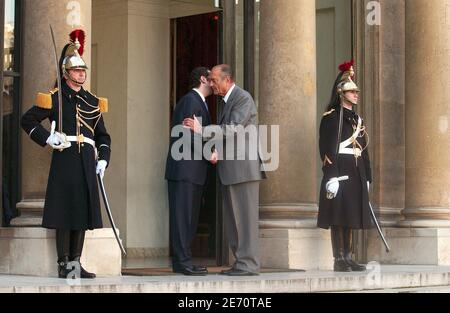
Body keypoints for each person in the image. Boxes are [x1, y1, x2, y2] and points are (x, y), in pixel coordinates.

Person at [21, 29, 111, 279]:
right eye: (77, 70)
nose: (82, 73)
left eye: (83, 70)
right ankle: (63, 263)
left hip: (86, 161)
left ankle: (75, 262)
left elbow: (103, 136)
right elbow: (27, 120)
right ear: (66, 73)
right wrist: (48, 137)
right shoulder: (55, 98)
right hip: (66, 158)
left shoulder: (93, 101)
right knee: (66, 211)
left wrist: (103, 158)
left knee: (82, 213)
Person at [184, 64, 265, 276]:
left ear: (227, 80)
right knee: (234, 220)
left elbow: (234, 128)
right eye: (210, 80)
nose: (211, 84)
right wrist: (217, 152)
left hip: (243, 169)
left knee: (245, 220)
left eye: (214, 80)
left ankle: (249, 264)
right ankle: (241, 262)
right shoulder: (227, 100)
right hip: (232, 169)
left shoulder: (242, 98)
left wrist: (201, 129)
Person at [317, 60, 372, 272]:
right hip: (339, 172)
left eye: (356, 91)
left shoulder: (356, 118)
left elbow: (364, 149)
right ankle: (338, 258)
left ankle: (349, 257)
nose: (356, 94)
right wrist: (331, 175)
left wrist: (367, 177)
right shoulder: (332, 117)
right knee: (338, 216)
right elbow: (326, 148)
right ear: (342, 93)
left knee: (350, 215)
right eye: (352, 91)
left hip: (356, 172)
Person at [165, 67, 213, 276]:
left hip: (191, 171)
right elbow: (186, 135)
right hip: (184, 170)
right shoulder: (191, 101)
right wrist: (209, 152)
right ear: (203, 78)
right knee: (182, 217)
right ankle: (182, 261)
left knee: (189, 218)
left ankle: (185, 260)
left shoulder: (198, 102)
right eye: (211, 77)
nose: (214, 81)